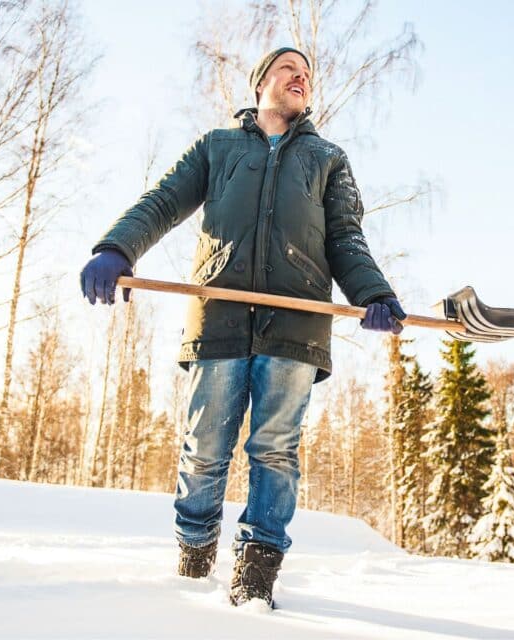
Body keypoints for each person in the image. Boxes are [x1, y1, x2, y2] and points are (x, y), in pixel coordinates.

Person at [80, 47, 405, 607]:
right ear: (261, 84)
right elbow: (162, 202)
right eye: (289, 69)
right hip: (220, 317)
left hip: (297, 325)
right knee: (205, 448)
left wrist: (374, 294)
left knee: (275, 450)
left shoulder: (328, 158)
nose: (301, 77)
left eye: (307, 74)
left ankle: (256, 578)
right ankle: (194, 555)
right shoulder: (218, 147)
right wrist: (116, 247)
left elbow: (346, 238)